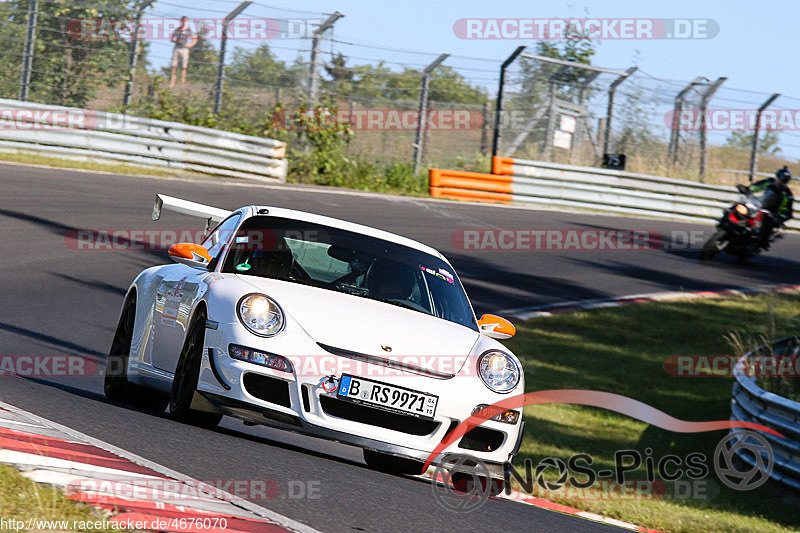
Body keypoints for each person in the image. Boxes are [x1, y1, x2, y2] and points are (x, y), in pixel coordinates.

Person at [748, 166, 794, 249]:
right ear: (777, 177)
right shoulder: (769, 182)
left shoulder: (787, 194)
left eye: (783, 180)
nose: (780, 182)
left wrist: (780, 217)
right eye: (780, 179)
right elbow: (757, 186)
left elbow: (788, 210)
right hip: (759, 204)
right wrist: (748, 189)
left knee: (767, 224)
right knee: (741, 207)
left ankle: (761, 242)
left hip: (772, 213)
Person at [169, 16, 197, 88]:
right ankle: (172, 83)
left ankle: (182, 84)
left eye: (185, 20)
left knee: (184, 67)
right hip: (177, 48)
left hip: (184, 49)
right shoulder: (177, 30)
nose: (183, 22)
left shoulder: (188, 30)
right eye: (182, 20)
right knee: (174, 66)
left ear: (186, 21)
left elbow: (195, 39)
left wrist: (190, 45)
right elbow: (171, 38)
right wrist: (176, 41)